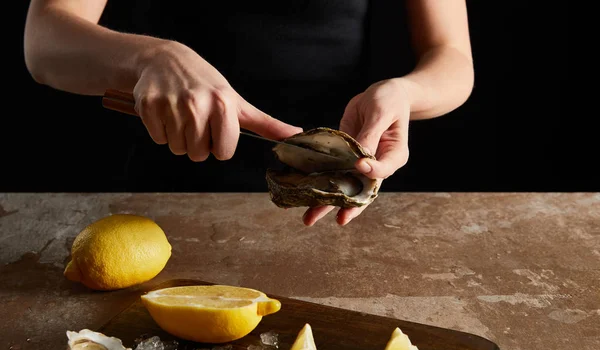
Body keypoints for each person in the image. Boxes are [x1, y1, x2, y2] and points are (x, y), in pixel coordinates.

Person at [23, 0, 474, 226]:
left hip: (333, 194)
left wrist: (404, 92)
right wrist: (152, 58)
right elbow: (44, 39)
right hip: (171, 195)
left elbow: (451, 56)